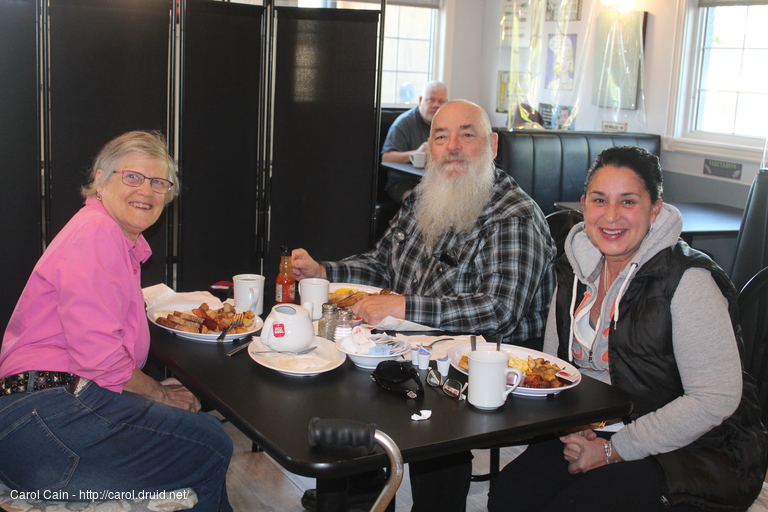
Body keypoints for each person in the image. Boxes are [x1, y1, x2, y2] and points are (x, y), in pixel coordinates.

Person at [294, 99, 556, 512]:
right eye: (440, 136)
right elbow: (382, 265)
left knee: (429, 409)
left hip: (487, 367)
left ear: (492, 145)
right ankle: (361, 490)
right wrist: (322, 272)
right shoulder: (422, 198)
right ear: (429, 146)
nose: (452, 146)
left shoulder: (514, 217)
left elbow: (499, 311)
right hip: (416, 348)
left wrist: (402, 304)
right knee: (339, 372)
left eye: (466, 135)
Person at [487, 146, 767, 512]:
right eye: (600, 200)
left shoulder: (687, 281)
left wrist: (612, 450)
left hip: (694, 448)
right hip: (594, 425)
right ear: (584, 204)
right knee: (509, 496)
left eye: (629, 201)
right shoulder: (572, 271)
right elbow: (560, 370)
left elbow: (715, 399)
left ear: (655, 209)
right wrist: (571, 430)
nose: (612, 215)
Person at [0, 131, 233, 512]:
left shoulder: (112, 239)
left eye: (159, 183)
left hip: (37, 423)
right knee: (210, 442)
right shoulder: (97, 231)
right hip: (41, 424)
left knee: (201, 436)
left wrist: (152, 393)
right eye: (132, 177)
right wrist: (157, 394)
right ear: (100, 180)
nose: (147, 190)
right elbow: (101, 358)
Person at [381, 80, 448, 202]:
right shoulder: (404, 123)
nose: (436, 105)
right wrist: (416, 153)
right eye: (431, 100)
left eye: (441, 101)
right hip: (405, 183)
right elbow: (386, 158)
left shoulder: (448, 124)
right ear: (421, 100)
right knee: (421, 202)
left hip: (438, 181)